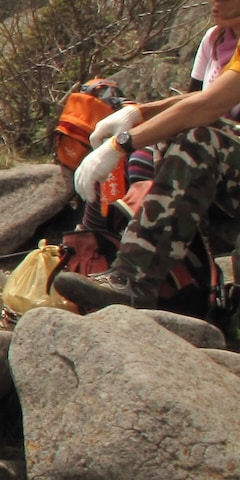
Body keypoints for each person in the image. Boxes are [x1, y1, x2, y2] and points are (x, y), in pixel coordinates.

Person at [59, 0, 240, 310]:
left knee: (200, 140)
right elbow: (201, 100)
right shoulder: (220, 38)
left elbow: (208, 106)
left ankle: (134, 280)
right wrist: (137, 114)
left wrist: (121, 145)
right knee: (183, 134)